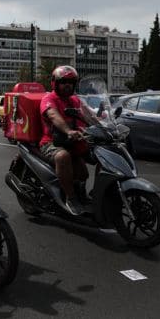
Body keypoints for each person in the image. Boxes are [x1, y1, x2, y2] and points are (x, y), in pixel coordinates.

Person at [39, 65, 98, 215]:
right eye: (64, 82)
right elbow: (53, 116)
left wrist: (105, 124)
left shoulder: (75, 100)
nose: (68, 85)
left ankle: (82, 193)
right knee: (63, 156)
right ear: (55, 83)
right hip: (51, 142)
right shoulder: (49, 98)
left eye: (71, 82)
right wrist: (68, 131)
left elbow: (89, 115)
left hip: (73, 142)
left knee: (84, 173)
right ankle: (71, 199)